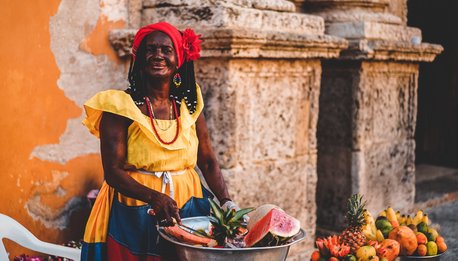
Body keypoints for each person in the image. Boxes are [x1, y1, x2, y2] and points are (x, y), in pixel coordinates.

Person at [80, 22, 239, 260]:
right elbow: (113, 172)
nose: (158, 56)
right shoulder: (119, 106)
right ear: (139, 57)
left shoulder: (189, 105)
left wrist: (226, 202)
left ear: (179, 59)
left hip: (187, 204)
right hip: (134, 206)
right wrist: (155, 197)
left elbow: (206, 161)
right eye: (150, 49)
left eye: (166, 50)